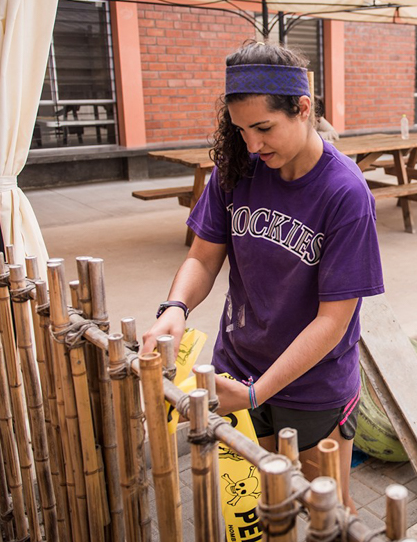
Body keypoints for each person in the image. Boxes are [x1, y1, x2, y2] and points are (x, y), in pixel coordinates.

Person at [142, 41, 384, 512]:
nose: (252, 145)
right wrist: (175, 307)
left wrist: (257, 393)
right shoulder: (236, 169)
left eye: (264, 128)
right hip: (237, 364)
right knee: (256, 505)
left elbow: (333, 321)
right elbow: (203, 257)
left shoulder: (346, 193)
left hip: (311, 386)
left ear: (303, 108)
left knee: (325, 509)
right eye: (240, 130)